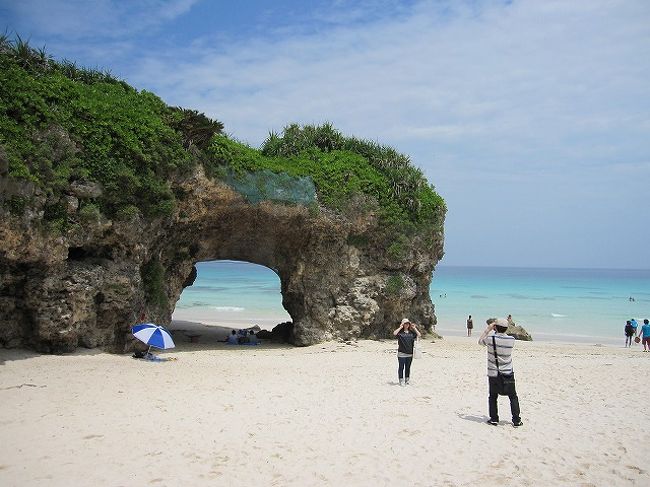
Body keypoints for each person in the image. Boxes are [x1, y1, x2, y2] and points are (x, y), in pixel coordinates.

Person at [478, 318, 523, 427]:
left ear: (495, 327)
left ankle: (494, 419)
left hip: (493, 372)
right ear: (506, 328)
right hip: (508, 372)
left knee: (493, 396)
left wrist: (488, 329)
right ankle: (516, 420)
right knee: (513, 397)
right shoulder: (511, 340)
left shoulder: (490, 339)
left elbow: (480, 341)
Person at [392, 318, 421, 386]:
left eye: (408, 323)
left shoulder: (412, 333)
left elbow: (419, 335)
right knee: (401, 367)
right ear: (403, 324)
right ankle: (401, 380)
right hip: (401, 353)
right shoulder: (400, 333)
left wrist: (414, 328)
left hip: (410, 354)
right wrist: (400, 327)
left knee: (408, 367)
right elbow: (394, 333)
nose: (407, 325)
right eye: (405, 323)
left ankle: (407, 380)